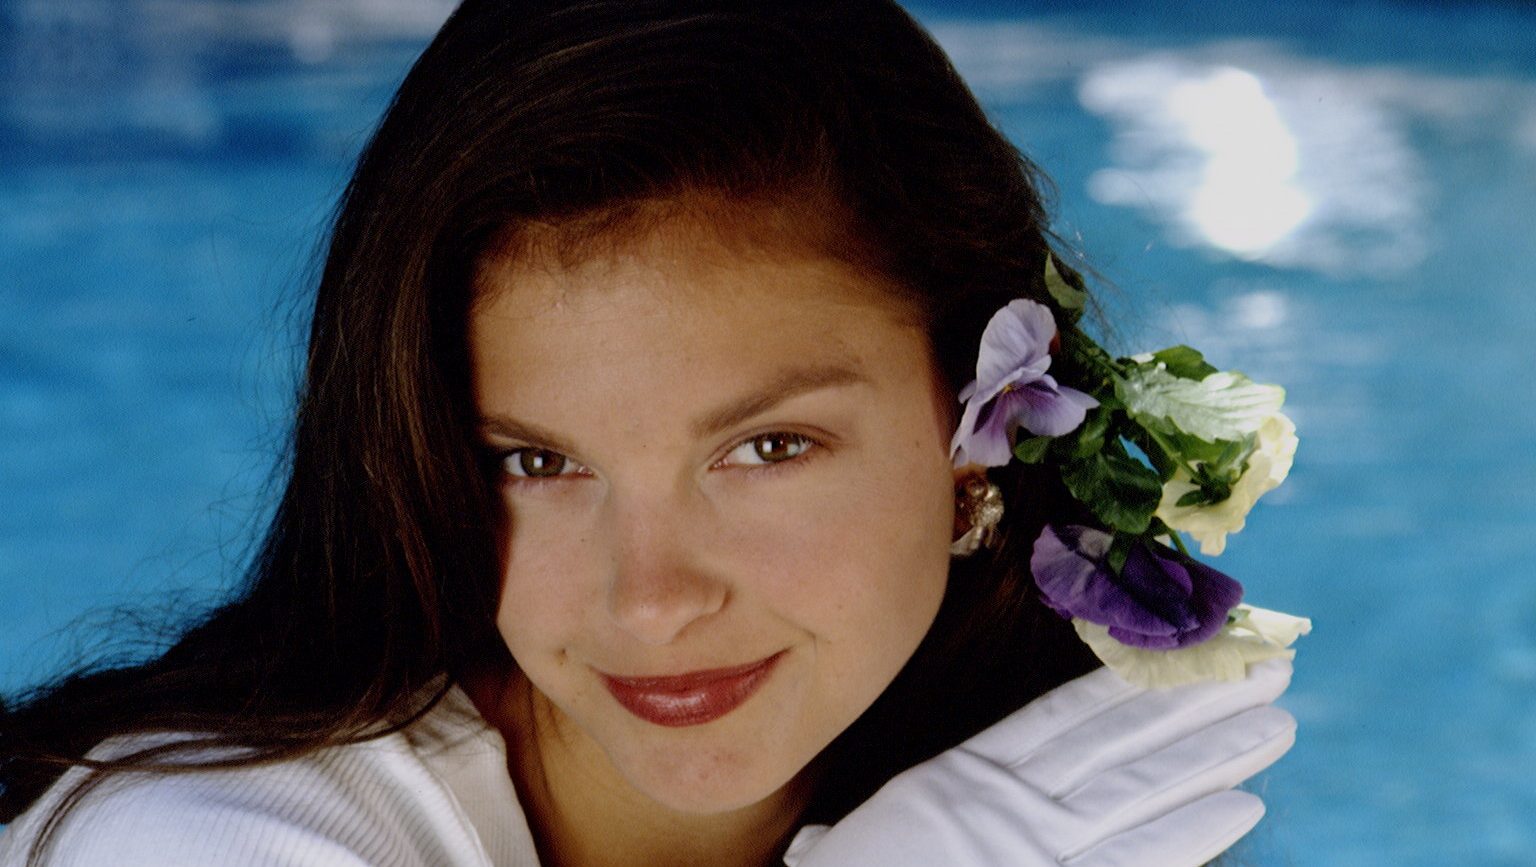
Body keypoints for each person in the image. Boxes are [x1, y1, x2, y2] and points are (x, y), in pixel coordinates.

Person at [0, 1, 1306, 865]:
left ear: (976, 432)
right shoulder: (207, 836)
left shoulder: (1045, 793)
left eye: (767, 448)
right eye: (535, 461)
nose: (653, 599)